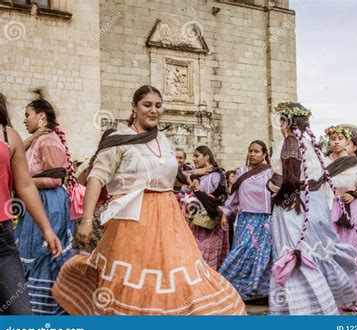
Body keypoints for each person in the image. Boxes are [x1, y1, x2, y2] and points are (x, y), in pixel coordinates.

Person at [51, 85, 245, 315]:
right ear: (134, 107)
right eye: (147, 105)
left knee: (177, 278)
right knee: (131, 281)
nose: (153, 110)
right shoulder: (119, 139)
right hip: (132, 221)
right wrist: (85, 221)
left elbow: (170, 176)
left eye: (158, 106)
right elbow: (96, 178)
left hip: (170, 221)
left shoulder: (162, 139)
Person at [267, 102, 357, 315]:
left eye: (281, 119)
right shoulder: (310, 144)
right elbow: (315, 180)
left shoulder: (288, 143)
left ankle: (302, 309)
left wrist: (271, 186)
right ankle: (322, 306)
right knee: (314, 252)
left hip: (293, 207)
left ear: (286, 122)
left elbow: (286, 179)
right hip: (314, 204)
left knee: (295, 253)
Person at [14, 91, 76, 315]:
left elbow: (56, 179)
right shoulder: (39, 140)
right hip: (36, 202)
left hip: (48, 204)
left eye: (27, 114)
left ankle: (47, 307)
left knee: (44, 253)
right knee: (32, 250)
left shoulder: (49, 140)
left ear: (41, 117)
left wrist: (25, 182)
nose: (24, 119)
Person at [0, 92, 61, 315]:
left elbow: (24, 185)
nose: (26, 119)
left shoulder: (8, 136)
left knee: (21, 314)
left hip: (2, 239)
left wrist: (47, 229)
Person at [322, 124, 357, 311]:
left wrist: (356, 194)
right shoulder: (322, 161)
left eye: (340, 138)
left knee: (353, 251)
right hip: (328, 208)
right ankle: (331, 299)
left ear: (347, 142)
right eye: (333, 138)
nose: (336, 142)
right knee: (330, 250)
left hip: (352, 211)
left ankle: (353, 298)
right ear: (329, 141)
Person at [219, 140, 273, 301]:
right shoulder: (241, 172)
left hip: (266, 219)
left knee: (262, 255)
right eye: (250, 151)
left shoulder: (271, 173)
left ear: (264, 155)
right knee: (241, 251)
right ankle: (230, 285)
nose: (252, 154)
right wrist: (225, 214)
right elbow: (234, 199)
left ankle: (259, 292)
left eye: (256, 151)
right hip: (246, 220)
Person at [187, 146, 229, 270]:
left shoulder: (216, 175)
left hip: (210, 220)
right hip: (195, 221)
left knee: (207, 254)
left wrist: (198, 192)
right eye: (193, 156)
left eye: (197, 156)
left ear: (206, 157)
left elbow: (219, 197)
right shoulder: (194, 173)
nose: (194, 159)